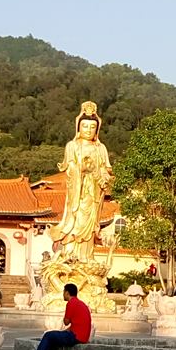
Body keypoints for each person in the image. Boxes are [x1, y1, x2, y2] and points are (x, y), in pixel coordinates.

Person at [49, 102, 112, 262]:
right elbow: (70, 170)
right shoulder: (72, 146)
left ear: (97, 129)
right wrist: (82, 169)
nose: (88, 130)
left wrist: (96, 172)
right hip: (78, 194)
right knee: (76, 222)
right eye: (85, 126)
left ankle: (86, 256)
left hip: (93, 195)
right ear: (78, 128)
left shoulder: (101, 148)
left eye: (92, 127)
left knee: (90, 226)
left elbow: (106, 175)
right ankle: (71, 255)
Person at [19, 283, 92, 350]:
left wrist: (67, 317)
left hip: (76, 337)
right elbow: (76, 325)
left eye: (64, 292)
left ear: (67, 293)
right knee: (54, 336)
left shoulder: (71, 303)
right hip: (83, 337)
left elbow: (66, 322)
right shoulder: (81, 303)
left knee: (48, 335)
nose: (63, 294)